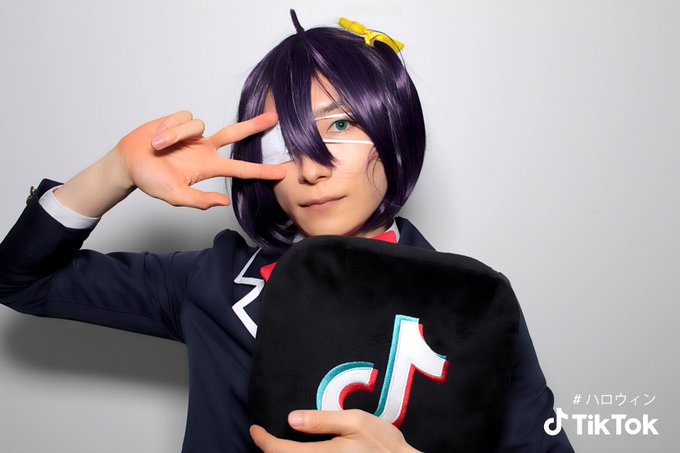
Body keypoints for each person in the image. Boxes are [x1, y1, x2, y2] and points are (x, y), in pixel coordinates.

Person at [0, 10, 573, 453]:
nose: (310, 168)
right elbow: (21, 280)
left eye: (340, 125)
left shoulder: (474, 302)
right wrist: (117, 170)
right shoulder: (211, 281)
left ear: (393, 127)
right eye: (281, 144)